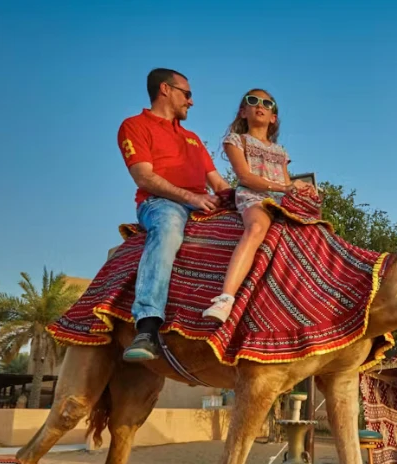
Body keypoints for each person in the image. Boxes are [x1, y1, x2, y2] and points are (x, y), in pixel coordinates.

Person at [116, 68, 232, 361]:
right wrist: (191, 197)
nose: (191, 102)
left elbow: (218, 183)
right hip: (160, 203)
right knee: (168, 227)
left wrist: (244, 199)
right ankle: (147, 325)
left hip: (202, 203)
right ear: (165, 90)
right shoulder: (135, 125)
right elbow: (144, 178)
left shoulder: (193, 139)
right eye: (187, 94)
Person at [202, 89, 308, 322]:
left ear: (273, 117)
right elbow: (246, 178)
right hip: (254, 197)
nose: (260, 105)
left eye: (267, 103)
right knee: (257, 228)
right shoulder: (237, 140)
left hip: (280, 200)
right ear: (243, 111)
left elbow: (286, 181)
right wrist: (284, 188)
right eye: (253, 101)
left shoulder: (280, 151)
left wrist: (299, 188)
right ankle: (225, 299)